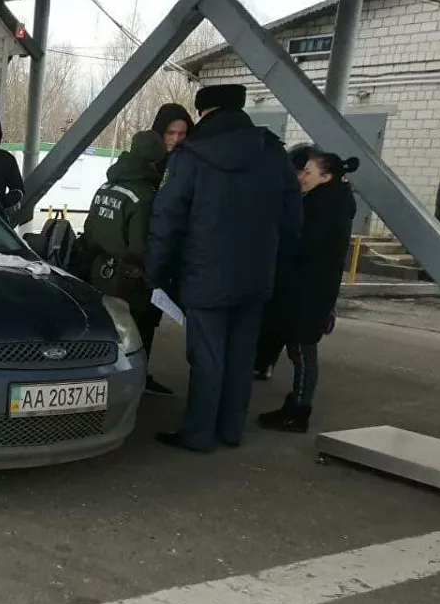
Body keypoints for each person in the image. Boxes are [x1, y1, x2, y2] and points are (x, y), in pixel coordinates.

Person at [146, 84, 303, 453]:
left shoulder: (191, 154)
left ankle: (199, 434)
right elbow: (293, 219)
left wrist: (156, 272)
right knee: (241, 356)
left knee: (207, 357)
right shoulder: (273, 153)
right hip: (256, 276)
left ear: (204, 111)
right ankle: (231, 430)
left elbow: (166, 218)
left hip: (205, 274)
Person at [258, 148, 359, 433]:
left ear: (326, 177)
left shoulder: (322, 207)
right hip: (310, 289)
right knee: (300, 349)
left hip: (308, 292)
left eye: (309, 172)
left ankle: (299, 411)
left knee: (302, 351)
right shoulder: (330, 202)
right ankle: (295, 406)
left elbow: (302, 245)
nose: (302, 177)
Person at [82, 130, 173, 396]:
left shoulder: (106, 187)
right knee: (135, 333)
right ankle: (133, 384)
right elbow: (140, 246)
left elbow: (89, 231)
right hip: (129, 278)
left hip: (100, 271)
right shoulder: (143, 195)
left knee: (106, 330)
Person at [254, 143, 313, 379]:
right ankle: (262, 361)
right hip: (274, 267)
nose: (301, 178)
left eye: (306, 173)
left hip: (288, 271)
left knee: (277, 321)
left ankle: (264, 361)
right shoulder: (283, 193)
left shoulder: (311, 202)